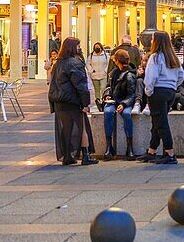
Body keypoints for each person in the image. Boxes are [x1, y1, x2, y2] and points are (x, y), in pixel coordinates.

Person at [48, 37, 97, 166]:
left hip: (60, 101)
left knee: (66, 128)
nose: (80, 48)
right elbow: (81, 86)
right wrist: (85, 104)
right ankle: (85, 155)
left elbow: (53, 82)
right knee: (82, 127)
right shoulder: (75, 63)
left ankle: (67, 155)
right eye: (78, 46)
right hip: (73, 101)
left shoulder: (58, 63)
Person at [141, 32, 184, 165]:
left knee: (161, 124)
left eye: (153, 39)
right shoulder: (173, 57)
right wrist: (172, 85)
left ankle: (170, 153)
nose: (151, 40)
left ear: (157, 41)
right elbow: (181, 75)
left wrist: (148, 91)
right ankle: (152, 151)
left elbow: (151, 77)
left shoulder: (155, 57)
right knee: (157, 121)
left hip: (157, 92)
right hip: (170, 92)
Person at [102, 49, 137, 160]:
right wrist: (107, 95)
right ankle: (109, 146)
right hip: (113, 100)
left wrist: (123, 104)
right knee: (108, 112)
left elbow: (132, 94)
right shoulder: (113, 73)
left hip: (125, 102)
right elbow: (108, 86)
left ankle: (130, 146)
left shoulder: (130, 75)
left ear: (117, 61)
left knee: (127, 115)